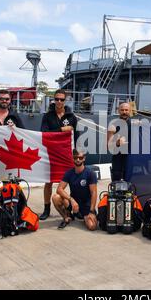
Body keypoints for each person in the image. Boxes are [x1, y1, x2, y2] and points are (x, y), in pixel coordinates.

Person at [39, 89, 78, 220]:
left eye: (62, 99)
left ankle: (72, 207)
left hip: (66, 155)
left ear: (65, 100)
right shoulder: (47, 116)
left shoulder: (72, 117)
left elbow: (74, 138)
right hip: (50, 154)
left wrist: (75, 153)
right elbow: (44, 134)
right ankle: (46, 209)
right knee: (48, 183)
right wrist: (61, 130)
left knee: (70, 182)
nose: (59, 102)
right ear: (54, 100)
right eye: (57, 99)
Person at [52, 149, 98, 231]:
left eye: (80, 158)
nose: (78, 160)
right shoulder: (69, 173)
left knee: (92, 226)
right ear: (72, 158)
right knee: (56, 197)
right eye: (76, 157)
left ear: (84, 158)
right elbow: (59, 189)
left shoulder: (90, 173)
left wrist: (91, 211)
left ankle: (84, 215)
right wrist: (71, 200)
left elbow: (93, 193)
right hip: (74, 204)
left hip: (86, 205)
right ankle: (67, 217)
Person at [107, 102, 132, 181]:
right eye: (122, 110)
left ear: (130, 111)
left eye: (126, 110)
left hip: (131, 158)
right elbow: (109, 146)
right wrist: (117, 143)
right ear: (118, 111)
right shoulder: (113, 126)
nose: (124, 112)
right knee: (116, 181)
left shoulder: (135, 123)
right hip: (118, 158)